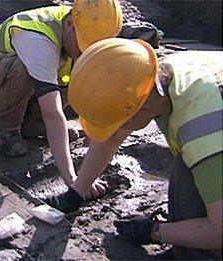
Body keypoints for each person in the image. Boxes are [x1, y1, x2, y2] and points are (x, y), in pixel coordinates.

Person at [62, 38, 222, 259]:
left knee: (188, 182)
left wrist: (154, 231)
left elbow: (220, 231)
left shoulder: (203, 135)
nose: (115, 130)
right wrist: (76, 193)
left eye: (118, 121)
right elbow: (112, 137)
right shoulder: (158, 75)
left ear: (141, 108)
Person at [0, 0, 123, 193]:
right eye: (83, 43)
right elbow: (52, 112)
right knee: (22, 70)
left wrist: (93, 134)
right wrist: (73, 180)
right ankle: (7, 131)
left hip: (30, 87)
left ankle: (33, 124)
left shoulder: (81, 21)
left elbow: (95, 89)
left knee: (81, 74)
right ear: (70, 23)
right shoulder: (36, 38)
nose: (83, 51)